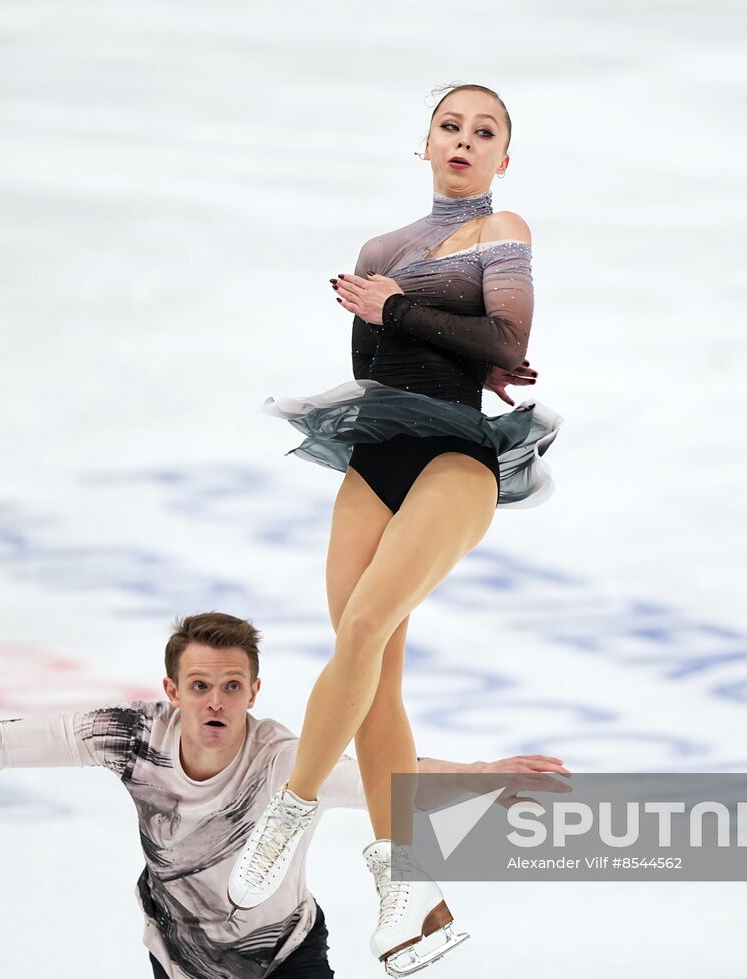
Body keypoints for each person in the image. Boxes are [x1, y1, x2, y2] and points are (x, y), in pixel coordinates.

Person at [0, 611, 568, 979]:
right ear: (170, 688)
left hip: (285, 960)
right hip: (178, 960)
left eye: (232, 685)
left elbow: (390, 775)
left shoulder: (285, 756)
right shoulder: (129, 737)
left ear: (253, 689)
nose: (216, 700)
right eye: (200, 683)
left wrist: (489, 778)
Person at [228, 83, 563, 976]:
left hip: (460, 458)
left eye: (484, 131)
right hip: (379, 449)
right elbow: (376, 364)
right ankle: (410, 894)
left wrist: (399, 311)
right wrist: (398, 321)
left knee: (367, 627)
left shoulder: (505, 232)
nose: (465, 139)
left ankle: (286, 820)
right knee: (369, 673)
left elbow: (507, 340)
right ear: (424, 144)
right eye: (450, 126)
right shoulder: (381, 248)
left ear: (502, 157)